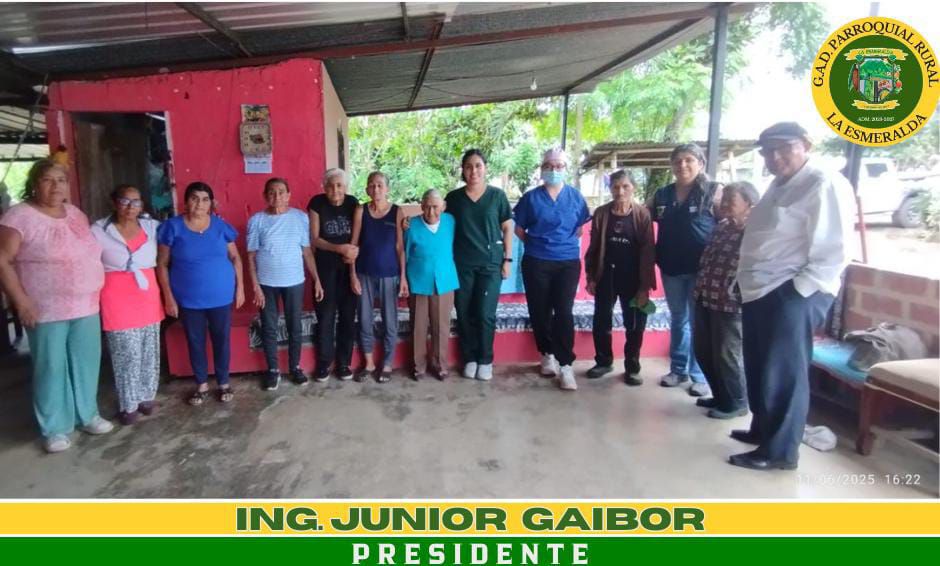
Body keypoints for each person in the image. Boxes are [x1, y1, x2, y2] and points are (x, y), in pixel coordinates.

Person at [730, 122, 855, 471]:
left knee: (783, 371)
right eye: (768, 151)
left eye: (784, 148)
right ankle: (762, 430)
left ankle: (780, 451)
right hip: (760, 289)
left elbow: (836, 250)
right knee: (759, 364)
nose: (775, 157)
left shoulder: (823, 183)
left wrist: (796, 292)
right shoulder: (781, 183)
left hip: (792, 291)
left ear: (806, 145)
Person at [0, 159, 113, 453]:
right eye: (47, 180)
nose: (55, 186)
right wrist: (21, 301)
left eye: (61, 180)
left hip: (86, 304)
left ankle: (87, 414)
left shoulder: (75, 213)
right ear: (34, 184)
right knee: (51, 367)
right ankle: (55, 428)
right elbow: (2, 260)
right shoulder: (19, 216)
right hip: (45, 308)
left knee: (86, 362)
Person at [157, 181, 244, 405]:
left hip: (221, 296)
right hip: (188, 298)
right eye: (194, 198)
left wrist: (241, 288)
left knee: (221, 340)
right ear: (186, 202)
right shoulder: (173, 227)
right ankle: (201, 384)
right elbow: (162, 264)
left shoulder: (220, 226)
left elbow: (235, 257)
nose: (200, 204)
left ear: (211, 203)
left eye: (205, 199)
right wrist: (168, 297)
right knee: (195, 341)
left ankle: (223, 382)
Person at [514, 147, 591, 391]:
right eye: (549, 166)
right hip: (536, 261)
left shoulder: (576, 197)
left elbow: (580, 228)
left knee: (564, 312)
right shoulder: (530, 198)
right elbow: (519, 229)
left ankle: (566, 364)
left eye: (559, 166)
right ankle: (546, 353)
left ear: (565, 169)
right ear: (542, 169)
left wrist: (560, 244)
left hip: (567, 262)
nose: (554, 170)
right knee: (540, 310)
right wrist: (538, 244)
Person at [648, 143, 721, 397]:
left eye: (689, 159)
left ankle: (699, 375)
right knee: (679, 319)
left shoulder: (713, 191)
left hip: (703, 270)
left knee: (698, 322)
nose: (683, 165)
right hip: (670, 267)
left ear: (700, 163)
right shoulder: (662, 194)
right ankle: (678, 370)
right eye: (678, 161)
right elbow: (642, 217)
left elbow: (730, 222)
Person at [91, 184, 164, 425]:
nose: (131, 207)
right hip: (116, 295)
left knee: (148, 349)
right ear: (114, 202)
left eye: (136, 202)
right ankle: (128, 404)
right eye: (125, 201)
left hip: (147, 294)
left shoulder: (151, 227)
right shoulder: (99, 230)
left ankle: (146, 398)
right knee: (126, 353)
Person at [246, 177, 323, 391]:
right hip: (266, 284)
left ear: (289, 195)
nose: (277, 196)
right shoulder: (257, 220)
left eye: (281, 192)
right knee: (269, 327)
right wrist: (255, 286)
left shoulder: (300, 218)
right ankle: (272, 370)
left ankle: (295, 367)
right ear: (265, 196)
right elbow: (250, 257)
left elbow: (307, 252)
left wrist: (317, 279)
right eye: (272, 192)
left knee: (294, 326)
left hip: (294, 281)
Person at [691, 181, 760, 420]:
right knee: (703, 351)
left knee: (727, 355)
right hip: (705, 295)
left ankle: (737, 402)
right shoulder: (722, 226)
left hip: (730, 302)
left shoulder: (755, 231)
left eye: (732, 199)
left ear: (749, 203)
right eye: (724, 198)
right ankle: (720, 396)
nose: (725, 203)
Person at [444, 150, 513, 381]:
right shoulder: (453, 199)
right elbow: (437, 221)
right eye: (468, 166)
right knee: (464, 313)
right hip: (462, 265)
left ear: (485, 168)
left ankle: (485, 360)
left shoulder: (497, 196)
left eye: (478, 166)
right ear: (463, 171)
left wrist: (507, 260)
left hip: (490, 264)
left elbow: (507, 228)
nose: (473, 171)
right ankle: (470, 358)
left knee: (485, 314)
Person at [584, 170, 656, 386]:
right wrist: (591, 277)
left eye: (625, 186)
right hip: (606, 274)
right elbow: (593, 248)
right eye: (615, 187)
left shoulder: (642, 215)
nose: (620, 191)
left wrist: (644, 287)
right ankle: (603, 361)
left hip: (633, 277)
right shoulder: (601, 213)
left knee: (634, 324)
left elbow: (648, 252)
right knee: (601, 320)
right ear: (610, 189)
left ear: (633, 188)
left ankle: (632, 367)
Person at [350, 172, 407, 383]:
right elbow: (353, 244)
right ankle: (369, 363)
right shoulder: (361, 210)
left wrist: (403, 277)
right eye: (372, 185)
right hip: (364, 273)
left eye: (380, 185)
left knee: (390, 321)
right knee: (364, 319)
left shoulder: (397, 212)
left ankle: (387, 364)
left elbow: (400, 247)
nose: (376, 189)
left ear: (387, 189)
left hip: (390, 274)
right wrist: (352, 275)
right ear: (367, 189)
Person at [308, 168, 359, 382]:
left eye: (339, 185)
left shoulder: (353, 203)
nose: (335, 190)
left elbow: (357, 235)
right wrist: (340, 248)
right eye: (330, 185)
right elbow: (315, 239)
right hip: (325, 268)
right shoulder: (317, 203)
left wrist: (351, 254)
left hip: (349, 268)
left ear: (345, 187)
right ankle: (324, 363)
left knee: (348, 316)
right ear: (324, 187)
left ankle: (344, 363)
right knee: (325, 316)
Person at [404, 189, 459, 381]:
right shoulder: (411, 225)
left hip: (444, 281)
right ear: (421, 206)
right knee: (418, 326)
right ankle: (418, 366)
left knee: (441, 326)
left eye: (435, 207)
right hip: (418, 280)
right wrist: (404, 280)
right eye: (426, 207)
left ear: (443, 206)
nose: (431, 211)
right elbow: (404, 253)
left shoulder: (451, 221)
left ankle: (440, 365)